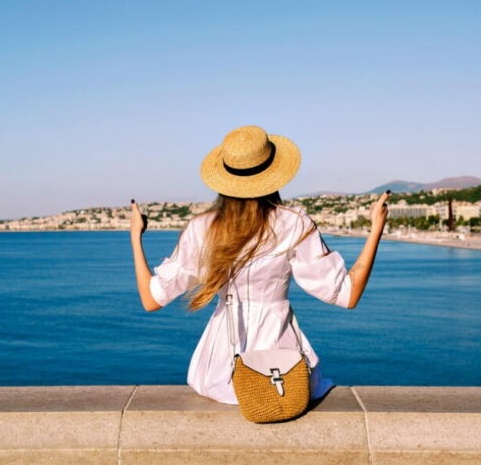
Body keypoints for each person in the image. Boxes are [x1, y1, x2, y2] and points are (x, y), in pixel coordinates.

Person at [129, 125, 389, 405]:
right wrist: (376, 229)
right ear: (274, 173)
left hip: (219, 366)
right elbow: (346, 294)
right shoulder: (293, 222)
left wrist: (135, 236)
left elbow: (151, 299)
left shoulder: (202, 228)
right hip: (282, 360)